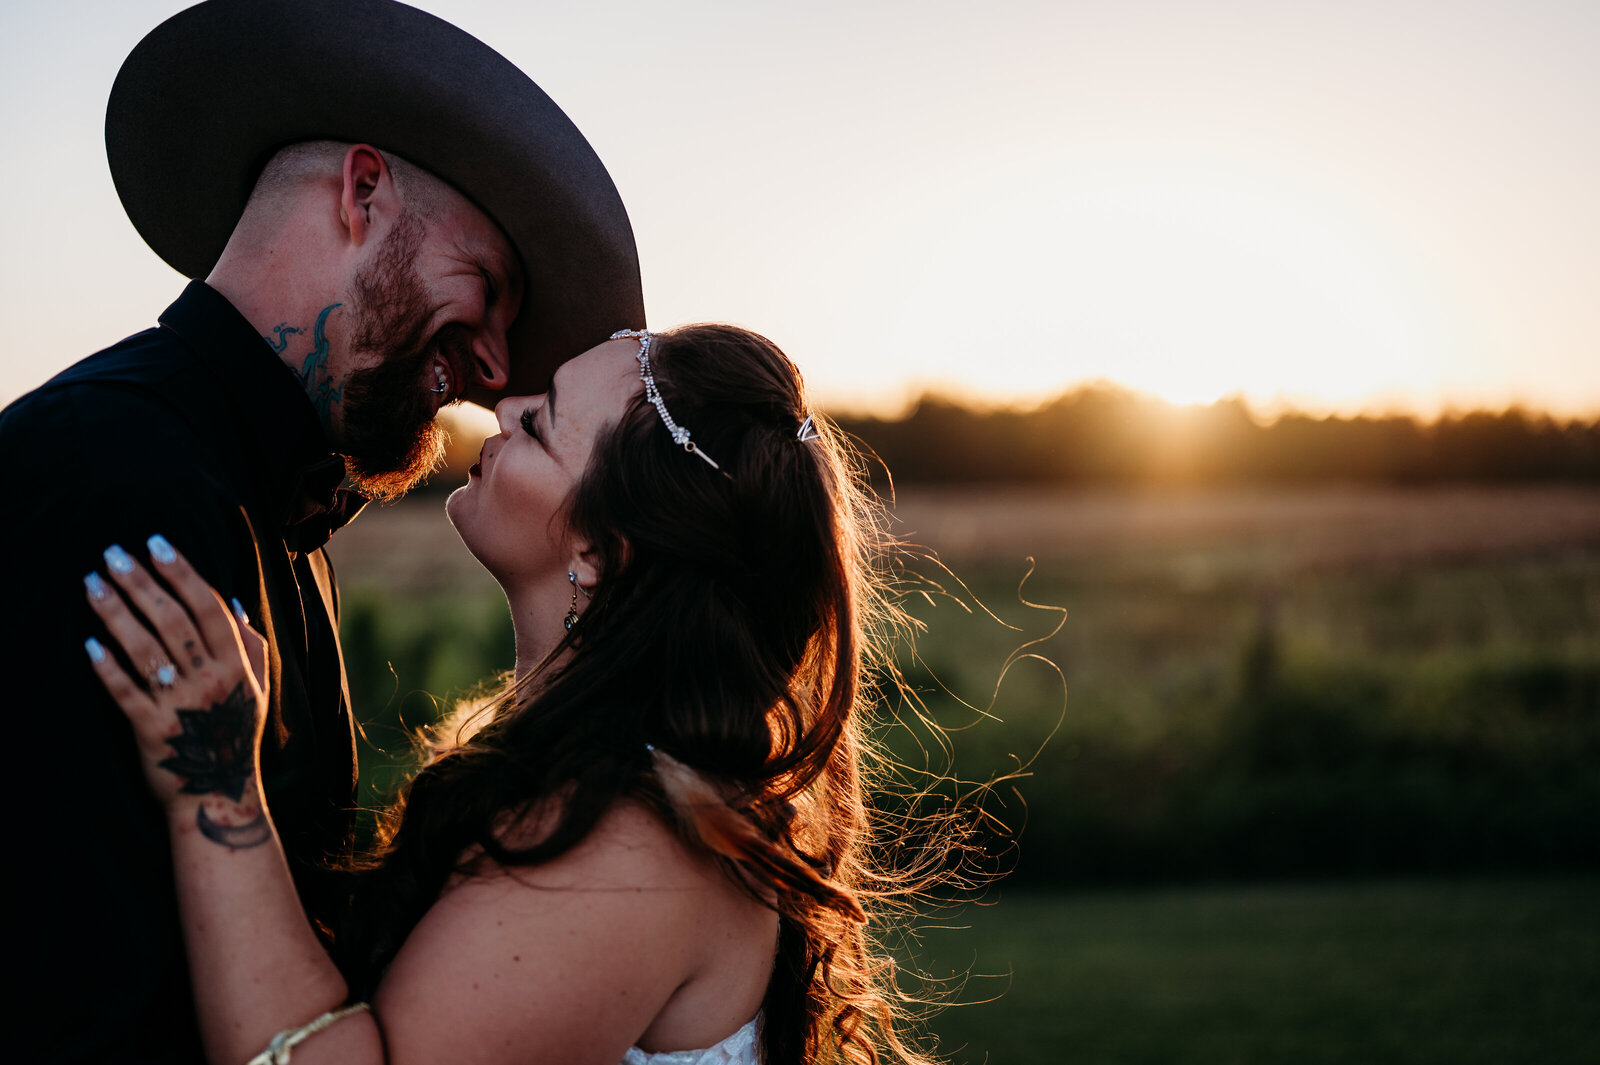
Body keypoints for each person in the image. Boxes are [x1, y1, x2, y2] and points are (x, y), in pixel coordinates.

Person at [1, 1, 642, 1060]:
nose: (492, 373)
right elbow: (67, 979)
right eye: (485, 292)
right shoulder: (102, 473)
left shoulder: (275, 505)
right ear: (362, 192)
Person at [84, 324, 944, 1065]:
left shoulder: (630, 844)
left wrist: (218, 781)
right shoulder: (606, 783)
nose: (500, 412)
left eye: (539, 422)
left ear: (603, 550)